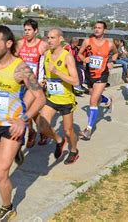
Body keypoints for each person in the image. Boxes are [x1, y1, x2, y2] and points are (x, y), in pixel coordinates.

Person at [0, 25, 45, 221]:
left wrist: (24, 119)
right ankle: (14, 152)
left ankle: (8, 207)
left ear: (9, 44)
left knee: (0, 172)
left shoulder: (20, 68)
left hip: (13, 126)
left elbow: (40, 97)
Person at [38, 28, 80, 164]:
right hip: (51, 98)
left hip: (66, 99)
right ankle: (59, 140)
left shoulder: (67, 56)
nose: (49, 41)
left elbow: (76, 81)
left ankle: (74, 150)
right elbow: (48, 74)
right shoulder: (46, 54)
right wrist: (46, 80)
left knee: (68, 131)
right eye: (48, 38)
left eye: (52, 38)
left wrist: (56, 71)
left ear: (60, 39)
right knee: (42, 125)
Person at [77, 21, 118, 140]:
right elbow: (79, 54)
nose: (96, 30)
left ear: (104, 30)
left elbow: (115, 54)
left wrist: (112, 62)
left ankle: (88, 130)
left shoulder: (109, 44)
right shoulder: (87, 41)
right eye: (95, 27)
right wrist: (84, 59)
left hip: (102, 75)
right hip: (90, 74)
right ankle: (107, 101)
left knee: (93, 100)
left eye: (99, 28)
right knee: (96, 97)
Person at [16, 18, 48, 147]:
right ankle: (39, 130)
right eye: (25, 30)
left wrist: (46, 79)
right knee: (32, 113)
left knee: (24, 109)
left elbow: (49, 62)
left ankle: (31, 132)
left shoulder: (42, 45)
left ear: (36, 31)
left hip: (36, 84)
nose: (27, 32)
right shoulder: (20, 44)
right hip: (22, 83)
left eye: (29, 30)